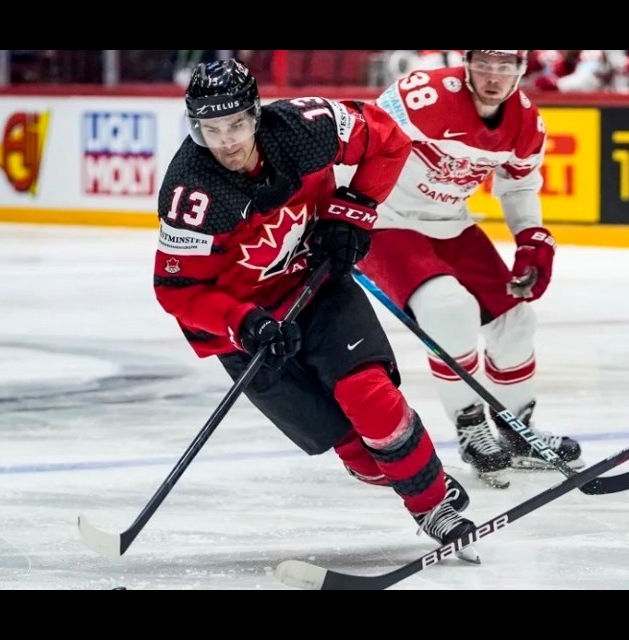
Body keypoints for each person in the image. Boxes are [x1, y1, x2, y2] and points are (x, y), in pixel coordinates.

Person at [153, 58, 477, 549]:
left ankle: (432, 507)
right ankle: (420, 478)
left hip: (316, 282)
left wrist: (354, 212)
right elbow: (177, 291)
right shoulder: (192, 192)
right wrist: (242, 322)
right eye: (211, 129)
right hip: (245, 324)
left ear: (256, 115)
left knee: (366, 393)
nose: (227, 142)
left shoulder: (305, 127)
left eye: (236, 124)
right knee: (350, 446)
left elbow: (388, 139)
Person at [356, 49, 584, 488]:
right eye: (484, 64)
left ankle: (518, 430)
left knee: (516, 320)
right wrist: (333, 212)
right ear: (466, 62)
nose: (493, 76)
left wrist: (531, 237)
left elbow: (519, 184)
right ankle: (470, 423)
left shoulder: (526, 123)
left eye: (505, 66)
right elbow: (361, 140)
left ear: (521, 70)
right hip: (385, 220)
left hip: (451, 223)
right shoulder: (424, 96)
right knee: (448, 308)